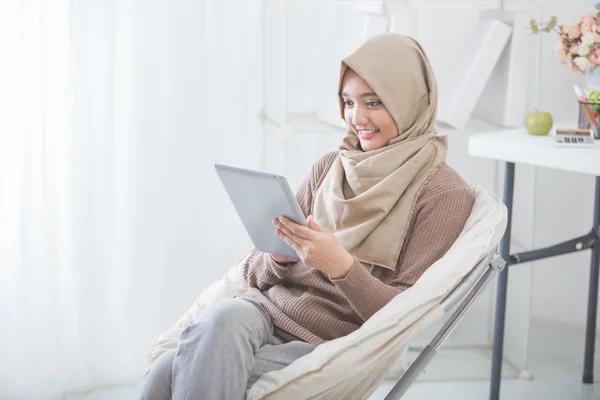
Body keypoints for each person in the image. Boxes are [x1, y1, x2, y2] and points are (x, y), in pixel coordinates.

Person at [140, 33, 475, 400]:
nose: (356, 118)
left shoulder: (443, 194)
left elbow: (402, 317)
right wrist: (279, 257)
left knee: (168, 372)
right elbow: (256, 271)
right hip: (263, 311)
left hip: (327, 342)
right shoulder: (330, 166)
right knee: (217, 323)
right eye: (347, 102)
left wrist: (342, 268)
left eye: (374, 102)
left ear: (410, 100)